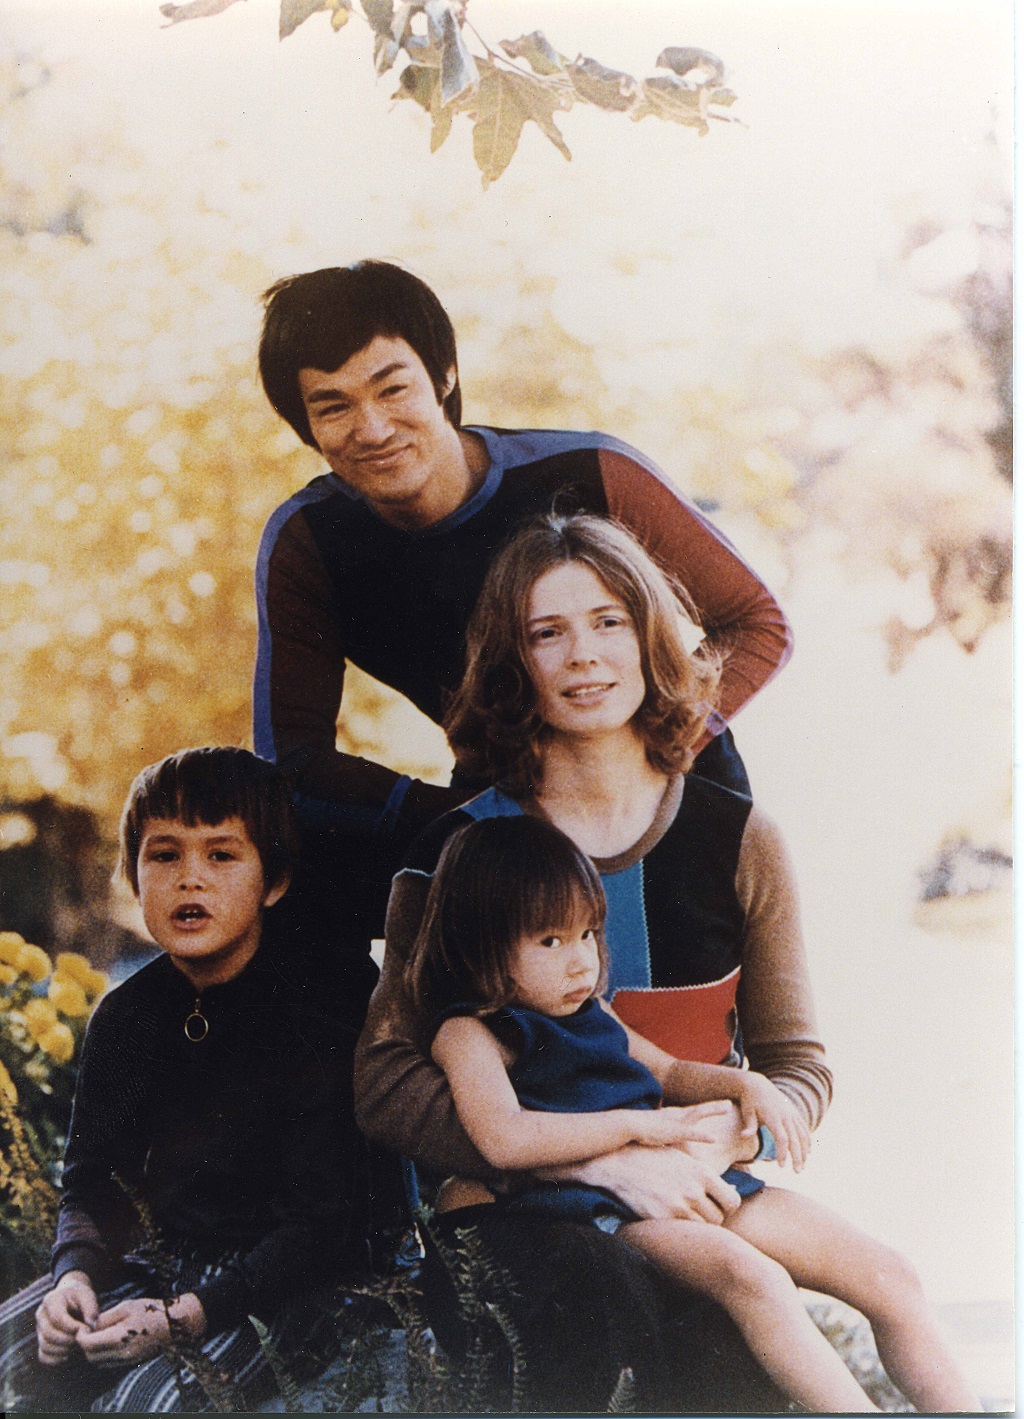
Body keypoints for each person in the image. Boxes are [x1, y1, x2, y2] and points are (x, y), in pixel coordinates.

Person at [353, 512, 829, 1410]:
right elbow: (385, 1078)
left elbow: (797, 1064)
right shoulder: (456, 847)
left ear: (653, 637)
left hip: (693, 1188)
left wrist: (721, 1136)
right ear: (513, 662)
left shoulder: (739, 837)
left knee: (731, 1347)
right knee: (579, 1304)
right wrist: (584, 1160)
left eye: (610, 621)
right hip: (510, 1218)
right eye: (547, 632)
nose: (583, 655)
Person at [253, 259, 793, 1008]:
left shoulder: (588, 470)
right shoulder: (310, 540)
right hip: (500, 813)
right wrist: (457, 819)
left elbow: (757, 622)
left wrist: (653, 748)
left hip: (669, 790)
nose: (372, 427)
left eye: (393, 387)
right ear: (303, 424)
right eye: (332, 405)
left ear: (442, 374)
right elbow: (293, 757)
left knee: (691, 1050)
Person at [407, 813, 980, 1415]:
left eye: (587, 934)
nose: (580, 961)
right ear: (480, 945)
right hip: (602, 1210)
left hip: (690, 1175)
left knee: (890, 1276)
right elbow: (503, 1139)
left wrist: (744, 1083)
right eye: (550, 941)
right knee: (753, 1278)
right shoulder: (472, 1035)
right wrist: (633, 1129)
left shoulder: (592, 1012)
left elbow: (671, 1073)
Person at [0, 748, 360, 1413]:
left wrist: (186, 1315)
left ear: (272, 881)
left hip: (281, 1289)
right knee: (16, 1352)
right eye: (164, 855)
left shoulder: (312, 1014)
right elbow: (89, 1176)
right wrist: (73, 1272)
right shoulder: (126, 1014)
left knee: (142, 1406)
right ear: (134, 876)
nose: (189, 878)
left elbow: (324, 1224)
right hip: (155, 1262)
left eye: (221, 855)